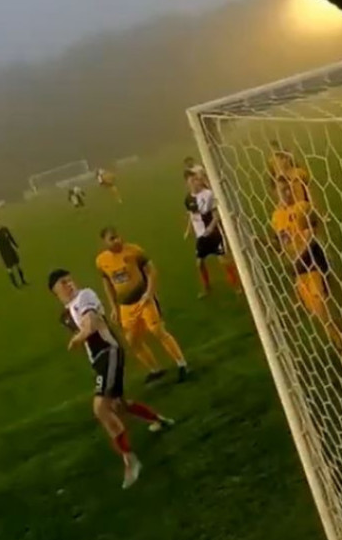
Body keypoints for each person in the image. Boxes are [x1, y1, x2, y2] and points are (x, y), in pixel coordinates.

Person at [49, 269, 174, 489]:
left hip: (110, 353)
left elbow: (91, 325)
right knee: (118, 404)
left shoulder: (84, 296)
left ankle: (130, 460)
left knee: (100, 408)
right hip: (100, 360)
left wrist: (77, 338)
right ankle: (159, 420)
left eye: (69, 280)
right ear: (55, 292)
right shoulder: (67, 313)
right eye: (62, 284)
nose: (68, 285)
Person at [270, 178, 342, 364]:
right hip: (298, 270)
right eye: (282, 190)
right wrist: (265, 244)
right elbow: (281, 244)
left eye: (288, 189)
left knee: (323, 310)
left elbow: (311, 236)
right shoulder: (276, 217)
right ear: (273, 193)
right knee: (320, 314)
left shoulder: (303, 207)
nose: (286, 193)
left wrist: (295, 258)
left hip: (313, 263)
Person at [96, 227, 189, 383]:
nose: (117, 240)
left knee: (157, 330)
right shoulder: (101, 261)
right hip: (125, 306)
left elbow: (151, 271)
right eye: (112, 239)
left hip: (143, 300)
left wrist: (149, 294)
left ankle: (182, 364)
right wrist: (114, 307)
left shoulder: (134, 251)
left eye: (117, 236)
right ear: (104, 242)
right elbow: (107, 283)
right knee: (132, 340)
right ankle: (156, 369)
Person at [183, 172, 240, 297]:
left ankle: (237, 287)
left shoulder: (208, 194)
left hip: (213, 233)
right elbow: (192, 215)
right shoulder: (188, 199)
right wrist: (189, 230)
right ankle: (206, 288)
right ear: (187, 183)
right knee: (200, 263)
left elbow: (216, 215)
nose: (194, 183)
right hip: (201, 237)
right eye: (191, 181)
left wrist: (210, 227)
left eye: (195, 180)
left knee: (224, 261)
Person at [267, 141, 313, 205]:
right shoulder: (276, 175)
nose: (283, 160)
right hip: (288, 209)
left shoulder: (299, 173)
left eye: (284, 158)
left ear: (288, 158)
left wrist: (312, 204)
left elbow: (308, 191)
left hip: (301, 207)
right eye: (280, 158)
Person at [0, 216, 27, 288]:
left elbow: (11, 238)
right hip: (4, 253)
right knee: (9, 268)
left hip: (11, 250)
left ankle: (23, 281)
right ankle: (15, 285)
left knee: (17, 265)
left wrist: (16, 246)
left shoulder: (5, 229)